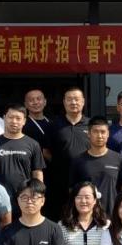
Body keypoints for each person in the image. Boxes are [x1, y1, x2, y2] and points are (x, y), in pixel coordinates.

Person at [0, 103, 45, 217]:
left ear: (24, 121)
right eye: (11, 117)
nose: (14, 121)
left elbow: (37, 173)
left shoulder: (33, 144)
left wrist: (38, 196)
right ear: (4, 118)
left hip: (25, 199)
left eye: (18, 118)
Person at [43, 86, 90, 220]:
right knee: (61, 217)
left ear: (83, 102)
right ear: (64, 102)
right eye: (69, 99)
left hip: (86, 179)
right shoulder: (53, 125)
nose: (73, 102)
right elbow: (45, 151)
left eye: (76, 99)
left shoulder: (91, 125)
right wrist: (60, 162)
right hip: (59, 181)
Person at [70, 116, 122, 215]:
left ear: (108, 134)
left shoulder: (119, 160)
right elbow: (72, 191)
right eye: (95, 132)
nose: (99, 136)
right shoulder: (78, 161)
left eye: (103, 132)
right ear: (88, 134)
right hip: (87, 216)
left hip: (112, 216)